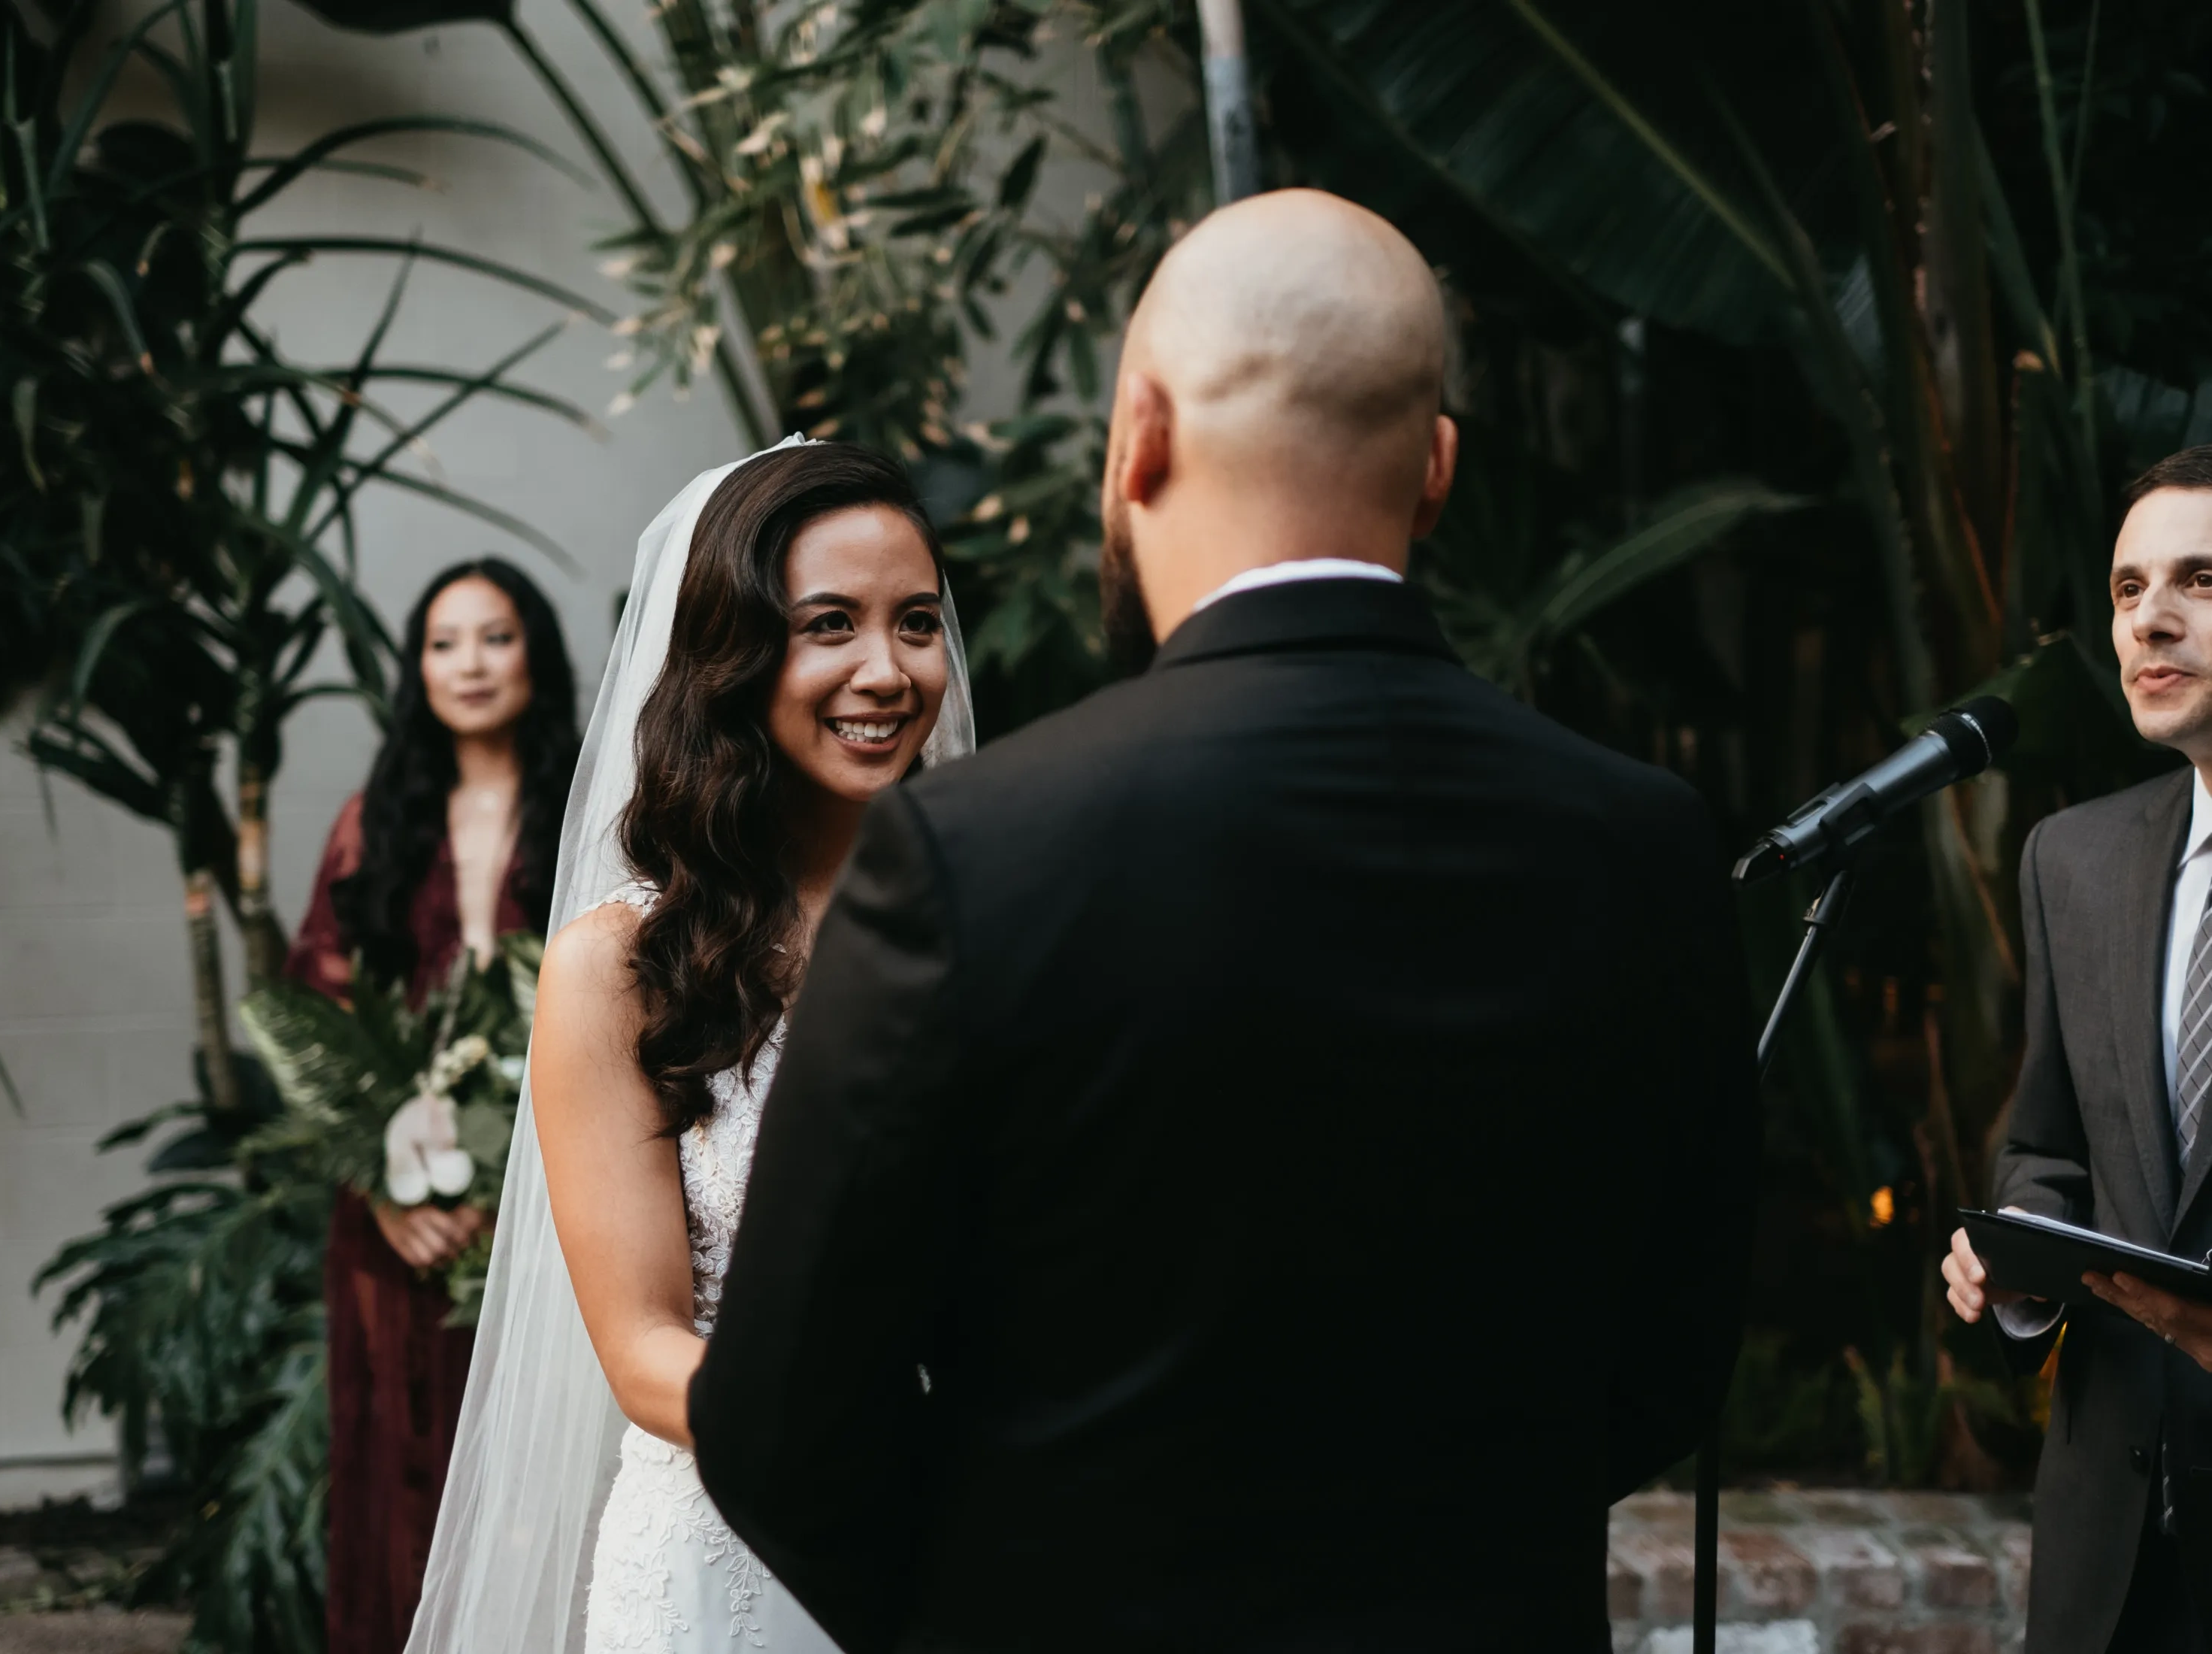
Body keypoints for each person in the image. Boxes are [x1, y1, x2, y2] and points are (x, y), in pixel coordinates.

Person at [686, 189, 1758, 1652]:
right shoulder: (1647, 842)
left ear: (1137, 438)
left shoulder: (976, 848)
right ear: (1437, 469)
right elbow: (1678, 1351)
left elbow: (779, 1418)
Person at [399, 439, 977, 1654]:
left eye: (916, 622)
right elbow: (644, 1345)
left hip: (981, 1548)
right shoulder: (618, 970)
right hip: (734, 1569)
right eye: (830, 624)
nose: (888, 670)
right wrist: (872, 1426)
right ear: (736, 653)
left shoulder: (1003, 920)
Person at [282, 557, 579, 1654]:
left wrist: (522, 1188)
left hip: (555, 1207)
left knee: (533, 1473)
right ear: (417, 668)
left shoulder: (593, 806)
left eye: (496, 636)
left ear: (534, 654)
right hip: (396, 1221)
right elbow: (317, 1007)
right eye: (445, 641)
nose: (471, 663)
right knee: (404, 1474)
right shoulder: (376, 823)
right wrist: (386, 1182)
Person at [1943, 447, 2212, 1652]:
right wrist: (2020, 1266)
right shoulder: (2074, 859)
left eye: (2202, 580)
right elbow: (2047, 1143)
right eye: (2125, 588)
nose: (2150, 618)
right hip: (2110, 1547)